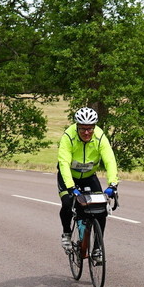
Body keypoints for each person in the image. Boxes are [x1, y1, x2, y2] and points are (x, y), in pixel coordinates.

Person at [57, 107, 119, 250]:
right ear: (77, 126)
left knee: (102, 209)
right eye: (83, 129)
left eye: (90, 129)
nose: (86, 132)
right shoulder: (68, 137)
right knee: (67, 203)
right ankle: (66, 233)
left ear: (94, 127)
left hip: (89, 176)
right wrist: (71, 188)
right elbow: (64, 163)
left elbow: (110, 160)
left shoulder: (100, 137)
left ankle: (97, 248)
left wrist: (113, 184)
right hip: (69, 176)